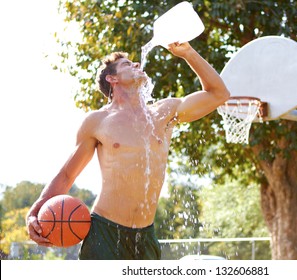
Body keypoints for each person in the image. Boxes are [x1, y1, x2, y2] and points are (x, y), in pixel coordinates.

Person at [26, 42, 230, 260]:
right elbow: (68, 174)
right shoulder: (98, 121)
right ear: (111, 79)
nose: (135, 63)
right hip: (104, 233)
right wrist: (35, 210)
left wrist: (188, 53)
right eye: (126, 64)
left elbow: (219, 93)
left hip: (146, 236)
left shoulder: (164, 112)